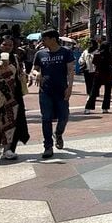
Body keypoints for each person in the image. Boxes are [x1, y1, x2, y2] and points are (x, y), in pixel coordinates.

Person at [31, 29, 75, 159]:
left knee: (64, 116)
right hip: (45, 91)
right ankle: (48, 146)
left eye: (44, 39)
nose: (42, 42)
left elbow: (71, 71)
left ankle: (59, 133)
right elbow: (34, 69)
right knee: (46, 118)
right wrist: (37, 73)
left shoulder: (66, 52)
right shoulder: (40, 54)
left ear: (53, 39)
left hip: (61, 90)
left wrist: (70, 87)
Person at [0, 35, 29, 160]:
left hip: (11, 95)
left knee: (9, 122)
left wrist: (26, 77)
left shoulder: (15, 58)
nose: (7, 47)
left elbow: (19, 74)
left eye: (10, 45)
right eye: (5, 44)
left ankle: (7, 149)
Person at [85, 42, 112, 115]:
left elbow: (94, 63)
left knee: (94, 92)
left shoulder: (98, 55)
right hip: (109, 74)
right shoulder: (111, 55)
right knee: (108, 92)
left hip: (99, 74)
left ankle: (88, 108)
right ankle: (105, 108)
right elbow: (111, 63)